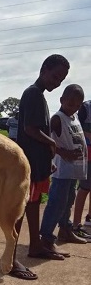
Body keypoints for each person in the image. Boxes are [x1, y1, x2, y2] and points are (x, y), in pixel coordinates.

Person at [11, 54, 70, 280]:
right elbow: (30, 129)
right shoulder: (33, 93)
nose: (57, 82)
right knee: (19, 211)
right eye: (55, 76)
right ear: (44, 69)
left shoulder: (40, 96)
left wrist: (47, 159)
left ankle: (35, 245)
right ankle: (11, 258)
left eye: (61, 79)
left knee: (34, 205)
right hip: (29, 165)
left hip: (38, 164)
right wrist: (52, 142)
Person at [40, 84, 89, 253]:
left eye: (77, 105)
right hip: (62, 171)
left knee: (68, 202)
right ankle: (46, 238)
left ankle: (65, 230)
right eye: (70, 104)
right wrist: (62, 152)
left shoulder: (74, 117)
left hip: (73, 171)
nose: (73, 107)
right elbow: (44, 139)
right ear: (62, 100)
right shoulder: (57, 118)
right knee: (56, 204)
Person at [72, 100, 91, 237]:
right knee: (84, 188)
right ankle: (76, 224)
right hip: (88, 151)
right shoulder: (86, 107)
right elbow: (78, 128)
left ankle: (89, 217)